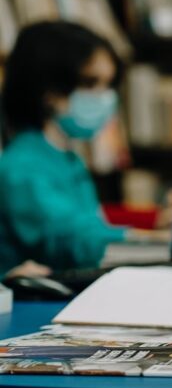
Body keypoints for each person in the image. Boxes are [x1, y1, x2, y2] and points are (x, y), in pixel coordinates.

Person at [0, 21, 159, 274]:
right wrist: (155, 241)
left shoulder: (64, 156)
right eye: (89, 83)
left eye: (108, 84)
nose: (104, 97)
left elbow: (89, 220)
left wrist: (155, 222)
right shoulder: (21, 166)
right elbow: (71, 239)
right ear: (48, 89)